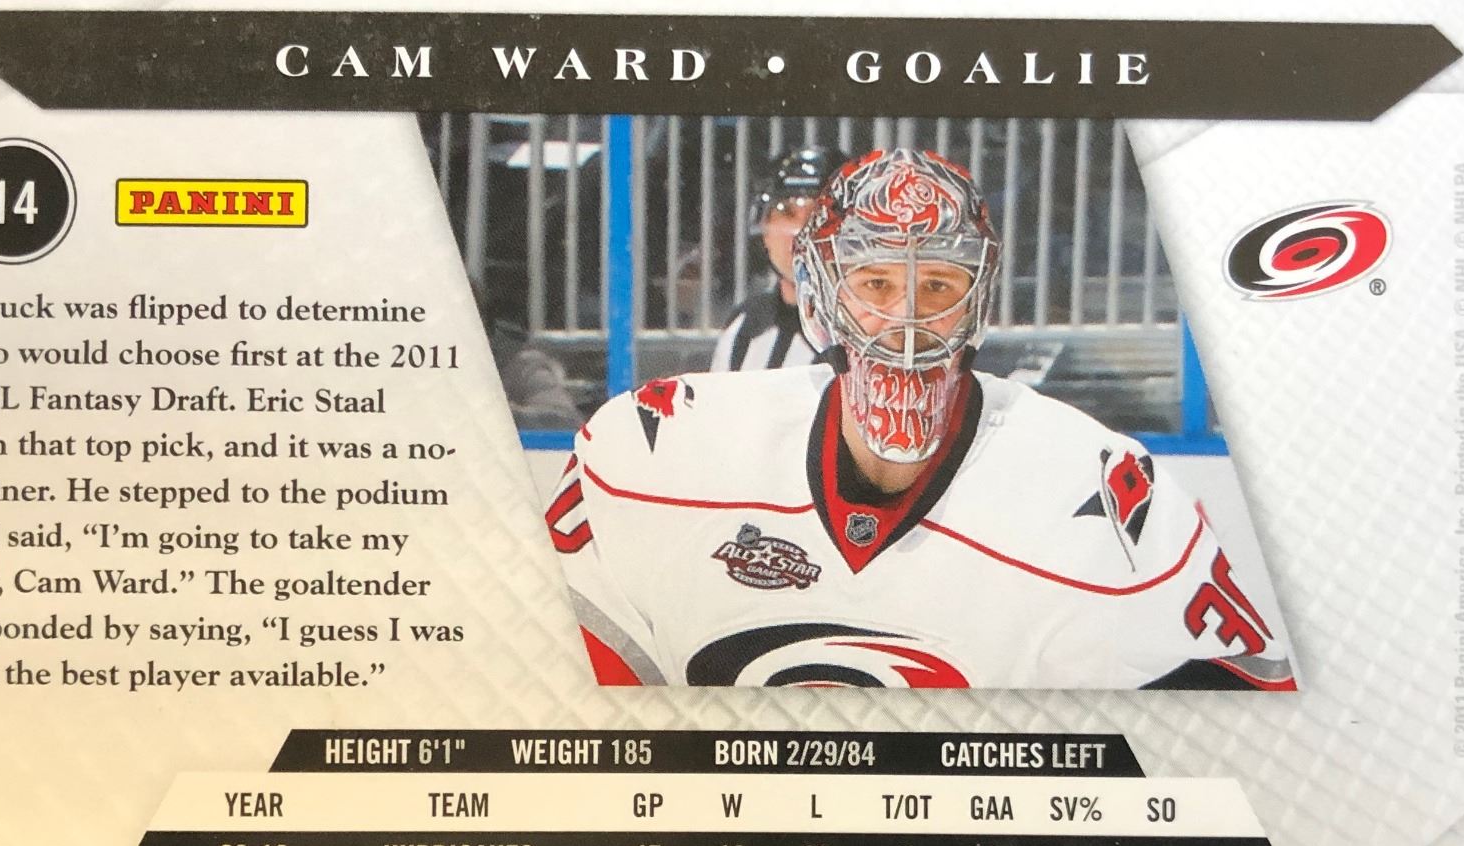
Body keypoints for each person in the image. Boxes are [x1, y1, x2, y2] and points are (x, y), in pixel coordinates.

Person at [545, 147, 1294, 690]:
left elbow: (1237, 747)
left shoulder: (1108, 503)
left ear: (979, 305)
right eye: (875, 283)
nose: (905, 325)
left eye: (938, 285)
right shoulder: (657, 447)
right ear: (822, 301)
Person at [707, 145, 835, 372]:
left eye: (818, 216)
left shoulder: (868, 338)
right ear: (764, 230)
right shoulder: (743, 327)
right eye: (786, 213)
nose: (800, 233)